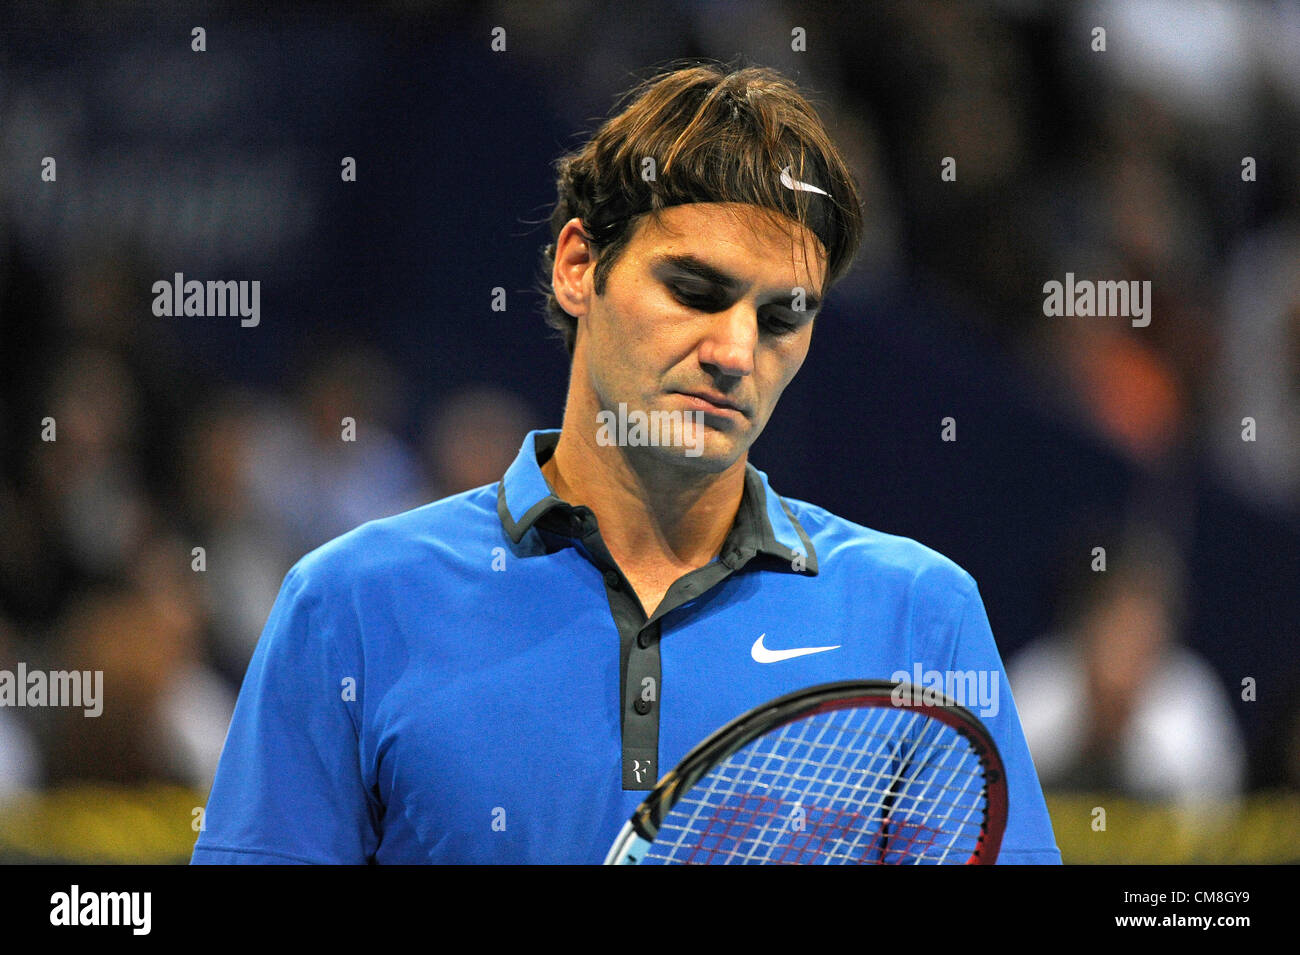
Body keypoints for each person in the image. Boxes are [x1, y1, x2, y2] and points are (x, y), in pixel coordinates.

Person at [192, 61, 1060, 864]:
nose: (733, 349)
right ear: (580, 265)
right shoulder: (347, 604)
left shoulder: (922, 615)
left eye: (782, 317)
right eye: (694, 290)